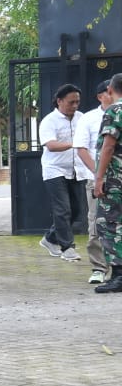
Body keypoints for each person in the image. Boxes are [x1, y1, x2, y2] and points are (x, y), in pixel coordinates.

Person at [39, 84, 89, 263]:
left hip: (76, 170)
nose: (75, 105)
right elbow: (51, 145)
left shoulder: (82, 118)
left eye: (77, 102)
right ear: (59, 101)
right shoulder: (49, 121)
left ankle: (50, 239)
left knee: (76, 211)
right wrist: (74, 143)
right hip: (55, 170)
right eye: (71, 102)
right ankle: (67, 248)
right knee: (63, 210)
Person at [74, 79, 115, 284]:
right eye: (110, 92)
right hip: (96, 180)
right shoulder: (89, 119)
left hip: (119, 178)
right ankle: (99, 267)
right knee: (97, 224)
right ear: (101, 95)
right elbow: (81, 148)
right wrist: (99, 173)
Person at [92, 74, 122, 294]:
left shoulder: (114, 111)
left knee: (110, 225)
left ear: (110, 89)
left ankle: (119, 275)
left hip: (115, 180)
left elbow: (108, 147)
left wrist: (99, 178)